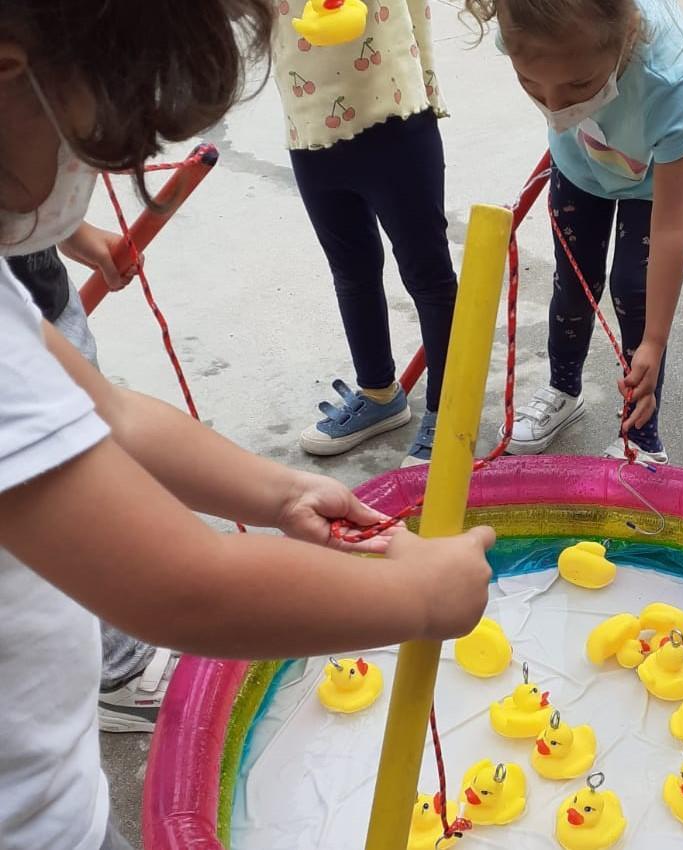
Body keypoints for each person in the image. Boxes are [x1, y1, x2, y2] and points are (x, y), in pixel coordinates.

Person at [0, 4, 493, 849]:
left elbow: (111, 414)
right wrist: (420, 597)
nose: (95, 171)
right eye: (98, 138)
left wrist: (283, 493)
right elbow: (183, 587)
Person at [465, 0, 683, 464]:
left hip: (652, 180)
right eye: (531, 84)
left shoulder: (669, 84)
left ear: (624, 41)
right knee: (573, 283)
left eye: (578, 85)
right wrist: (566, 92)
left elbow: (672, 225)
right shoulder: (525, 24)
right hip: (579, 165)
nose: (556, 109)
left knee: (635, 291)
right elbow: (557, 94)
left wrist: (655, 339)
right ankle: (563, 387)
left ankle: (642, 435)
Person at [8, 226, 178, 734]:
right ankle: (124, 673)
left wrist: (66, 231)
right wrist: (410, 597)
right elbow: (205, 582)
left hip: (40, 295)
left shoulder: (15, 306)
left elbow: (115, 419)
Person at [273, 0, 458, 464]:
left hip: (392, 112)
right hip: (309, 124)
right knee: (351, 270)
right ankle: (379, 394)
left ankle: (450, 412)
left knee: (427, 275)